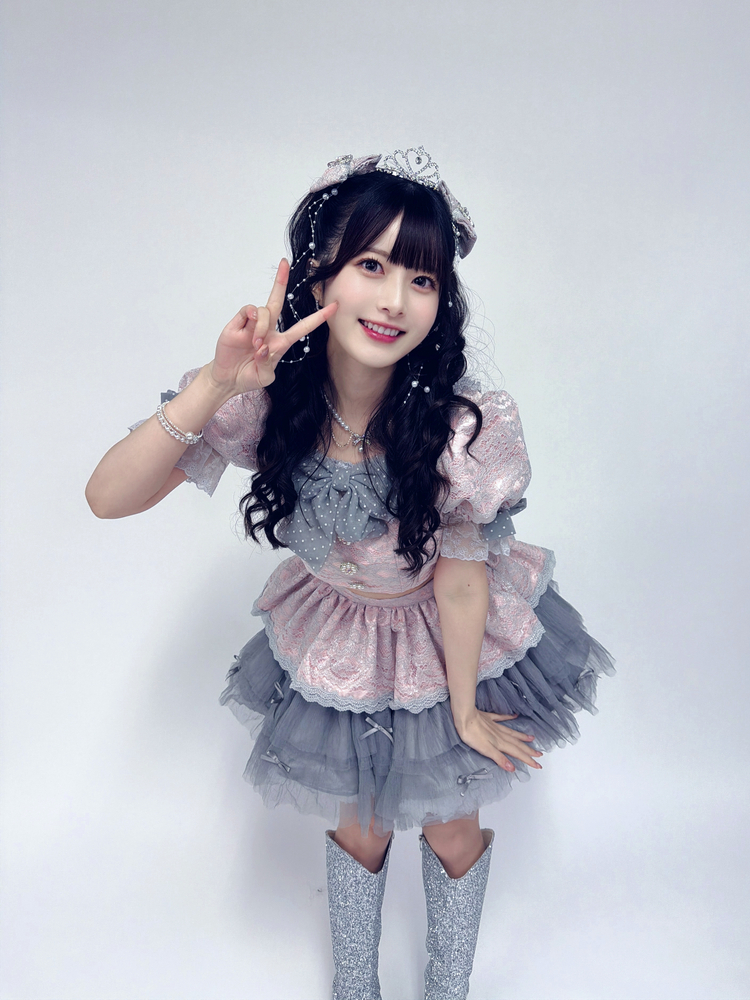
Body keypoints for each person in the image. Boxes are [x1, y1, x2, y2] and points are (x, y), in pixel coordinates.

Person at [86, 148, 614, 1000]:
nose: (395, 299)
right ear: (320, 275)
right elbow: (107, 498)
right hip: (340, 635)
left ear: (442, 301)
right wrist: (214, 384)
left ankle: (447, 992)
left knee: (449, 828)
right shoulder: (264, 402)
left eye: (422, 278)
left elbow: (461, 576)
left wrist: (465, 710)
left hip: (444, 635)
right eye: (372, 265)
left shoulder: (459, 429)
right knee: (362, 827)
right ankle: (354, 991)